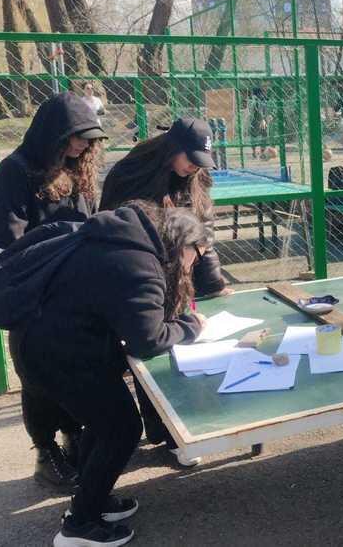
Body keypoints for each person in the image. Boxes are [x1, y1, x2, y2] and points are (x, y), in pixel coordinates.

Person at [7, 203, 208, 546]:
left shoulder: (125, 240)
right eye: (197, 255)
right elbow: (148, 340)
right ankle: (78, 527)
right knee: (121, 428)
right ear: (182, 245)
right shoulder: (140, 264)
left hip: (45, 342)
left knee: (104, 424)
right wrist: (191, 326)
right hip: (60, 354)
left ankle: (91, 500)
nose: (194, 265)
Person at [0, 91, 106, 491]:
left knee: (77, 367)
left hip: (77, 289)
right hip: (35, 289)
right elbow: (8, 240)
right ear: (53, 133)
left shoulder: (79, 167)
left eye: (89, 139)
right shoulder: (16, 170)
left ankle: (74, 433)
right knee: (38, 374)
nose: (82, 146)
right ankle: (45, 450)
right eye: (76, 137)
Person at [99, 117, 229, 466]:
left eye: (200, 163)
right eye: (190, 159)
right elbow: (112, 223)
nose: (193, 168)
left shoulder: (195, 176)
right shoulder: (131, 172)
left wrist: (210, 275)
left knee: (175, 345)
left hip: (177, 276)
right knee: (147, 346)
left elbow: (203, 226)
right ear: (173, 148)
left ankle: (174, 432)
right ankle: (160, 428)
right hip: (137, 272)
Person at [249, 81, 270, 158]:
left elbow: (265, 107)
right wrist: (262, 119)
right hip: (257, 118)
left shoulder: (264, 96)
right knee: (256, 134)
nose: (267, 87)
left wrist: (268, 115)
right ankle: (256, 152)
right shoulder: (258, 96)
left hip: (261, 117)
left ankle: (260, 152)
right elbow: (258, 108)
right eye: (265, 86)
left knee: (263, 134)